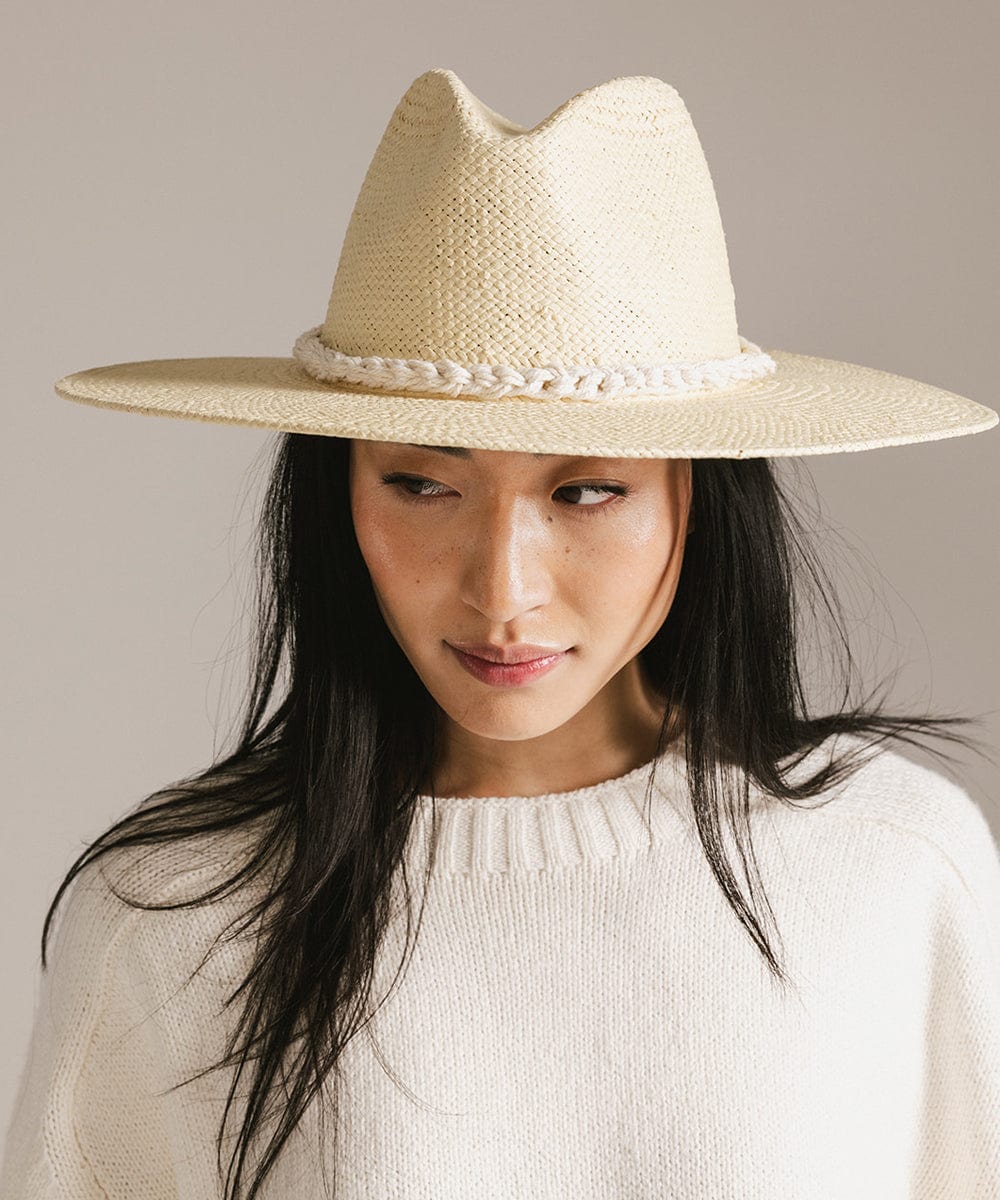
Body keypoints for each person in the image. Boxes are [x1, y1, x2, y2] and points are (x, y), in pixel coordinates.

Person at [2, 66, 998, 1200]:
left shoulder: (891, 865)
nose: (502, 591)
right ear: (339, 498)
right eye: (424, 484)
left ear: (697, 497)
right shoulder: (172, 913)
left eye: (585, 492)